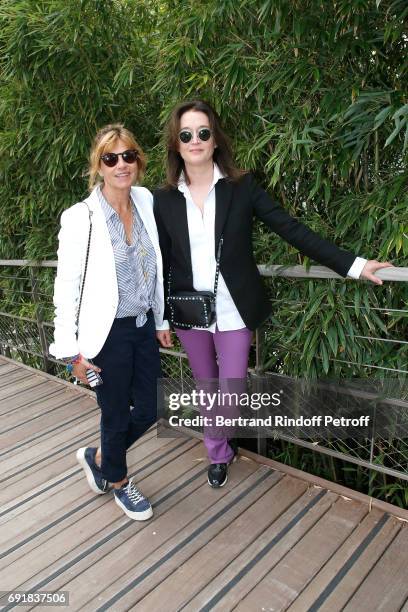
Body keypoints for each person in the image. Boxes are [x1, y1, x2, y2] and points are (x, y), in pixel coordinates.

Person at [153, 99, 392, 489]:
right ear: (176, 145)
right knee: (206, 387)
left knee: (228, 398)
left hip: (235, 310)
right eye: (186, 135)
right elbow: (159, 262)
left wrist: (354, 265)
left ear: (215, 141)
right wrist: (160, 317)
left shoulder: (241, 188)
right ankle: (218, 454)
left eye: (203, 132)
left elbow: (292, 229)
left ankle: (220, 437)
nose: (194, 140)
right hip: (188, 313)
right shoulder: (161, 199)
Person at [49, 124, 171, 520]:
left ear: (138, 160)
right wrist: (71, 355)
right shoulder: (80, 217)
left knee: (150, 407)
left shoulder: (145, 201)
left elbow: (156, 269)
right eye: (111, 158)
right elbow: (65, 288)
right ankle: (118, 481)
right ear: (98, 165)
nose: (121, 165)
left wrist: (161, 318)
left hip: (142, 325)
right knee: (116, 413)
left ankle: (100, 456)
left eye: (128, 156)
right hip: (106, 335)